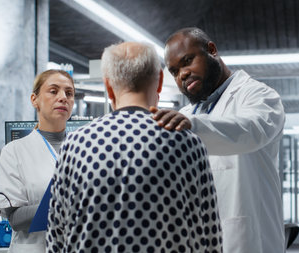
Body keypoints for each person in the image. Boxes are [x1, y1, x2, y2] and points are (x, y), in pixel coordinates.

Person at [46, 42, 222, 253]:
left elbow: (56, 237)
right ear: (159, 82)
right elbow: (210, 239)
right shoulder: (189, 144)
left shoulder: (75, 145)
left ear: (108, 87)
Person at [151, 27, 286, 252]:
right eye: (174, 72)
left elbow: (249, 131)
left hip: (249, 241)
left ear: (211, 50)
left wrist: (193, 127)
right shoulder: (186, 115)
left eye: (187, 61)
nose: (182, 74)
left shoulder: (259, 96)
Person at [0, 70, 75, 253]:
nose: (63, 98)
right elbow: (15, 219)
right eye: (53, 91)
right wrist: (64, 204)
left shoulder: (86, 149)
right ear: (34, 100)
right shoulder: (14, 152)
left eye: (69, 93)